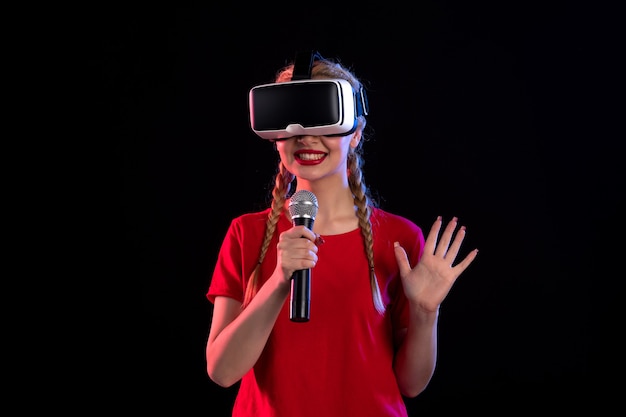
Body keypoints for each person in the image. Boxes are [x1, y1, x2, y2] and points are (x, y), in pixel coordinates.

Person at [205, 52, 479, 417]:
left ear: (357, 133)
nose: (306, 138)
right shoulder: (246, 234)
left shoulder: (400, 239)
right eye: (292, 123)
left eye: (324, 122)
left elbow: (410, 385)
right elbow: (222, 372)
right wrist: (279, 279)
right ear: (275, 137)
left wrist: (426, 312)